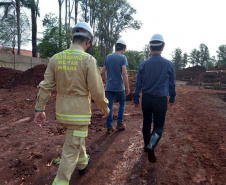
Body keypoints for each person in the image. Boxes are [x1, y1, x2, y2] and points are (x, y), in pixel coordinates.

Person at [34, 22, 110, 185]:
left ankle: (83, 163)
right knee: (70, 151)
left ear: (74, 38)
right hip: (79, 115)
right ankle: (60, 182)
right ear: (88, 42)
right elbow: (97, 90)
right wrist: (105, 107)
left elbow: (45, 85)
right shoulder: (88, 60)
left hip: (63, 114)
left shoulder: (55, 59)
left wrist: (40, 108)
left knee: (75, 140)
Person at [133, 33, 176, 163]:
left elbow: (138, 83)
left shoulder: (143, 64)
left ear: (150, 47)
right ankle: (151, 145)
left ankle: (147, 146)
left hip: (146, 99)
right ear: (163, 47)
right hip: (161, 100)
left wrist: (136, 98)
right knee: (158, 126)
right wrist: (172, 98)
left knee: (146, 122)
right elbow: (172, 84)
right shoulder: (168, 64)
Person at [102, 39, 130, 134]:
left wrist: (106, 82)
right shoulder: (123, 58)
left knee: (109, 105)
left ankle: (109, 127)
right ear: (123, 48)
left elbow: (103, 72)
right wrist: (127, 86)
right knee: (122, 102)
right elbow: (124, 73)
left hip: (109, 87)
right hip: (119, 87)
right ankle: (119, 123)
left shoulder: (108, 57)